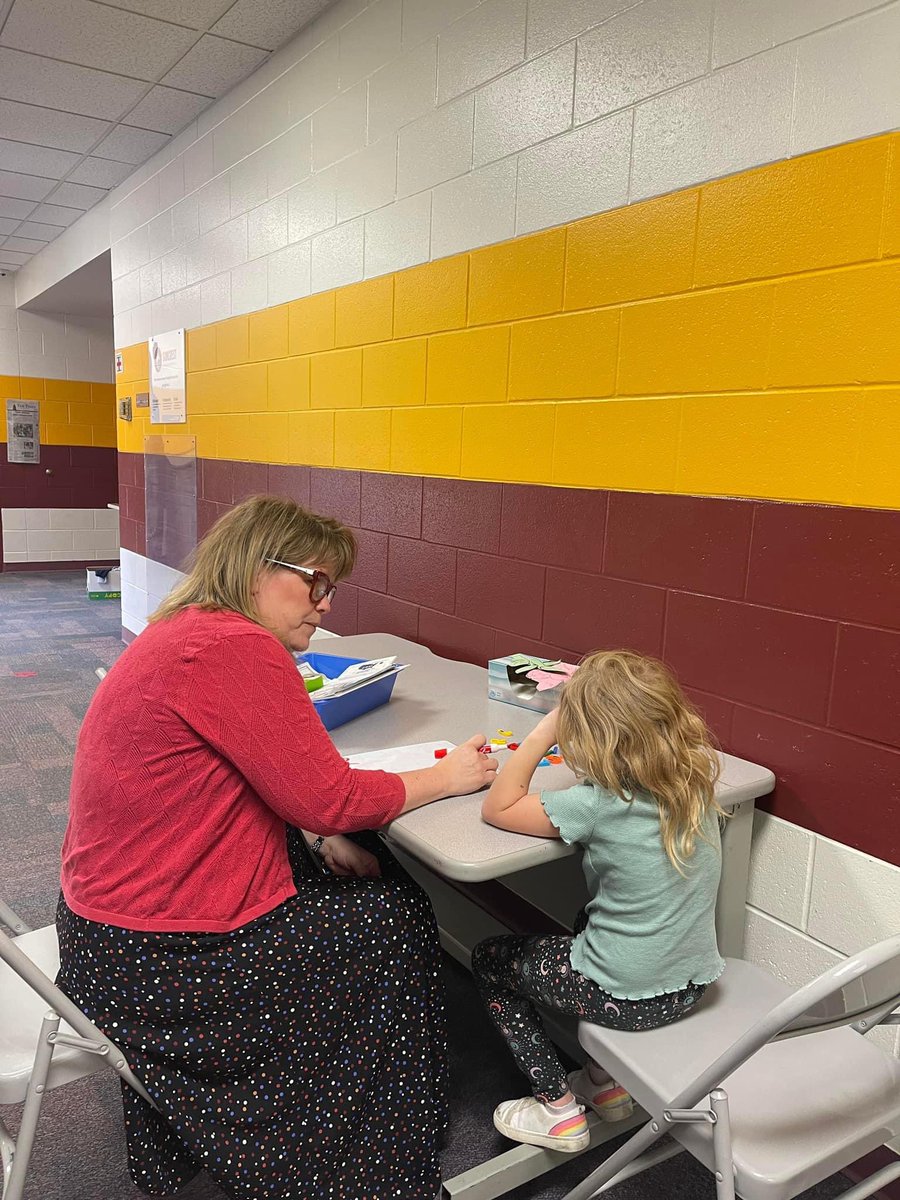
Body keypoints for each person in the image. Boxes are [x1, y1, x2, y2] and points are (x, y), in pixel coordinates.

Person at [57, 494, 497, 1200]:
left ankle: (349, 1121)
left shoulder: (188, 630)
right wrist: (447, 776)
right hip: (159, 960)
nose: (326, 603)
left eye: (333, 587)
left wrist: (318, 830)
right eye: (314, 582)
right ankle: (368, 1162)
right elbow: (327, 795)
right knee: (395, 916)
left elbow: (267, 780)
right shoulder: (237, 647)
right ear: (255, 568)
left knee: (357, 876)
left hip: (107, 934)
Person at [471, 650, 725, 1153]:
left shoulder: (595, 805)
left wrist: (544, 732)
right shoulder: (694, 785)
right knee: (586, 916)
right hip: (692, 983)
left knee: (490, 961)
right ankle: (606, 1085)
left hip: (628, 998)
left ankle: (558, 1111)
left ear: (586, 736)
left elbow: (497, 806)